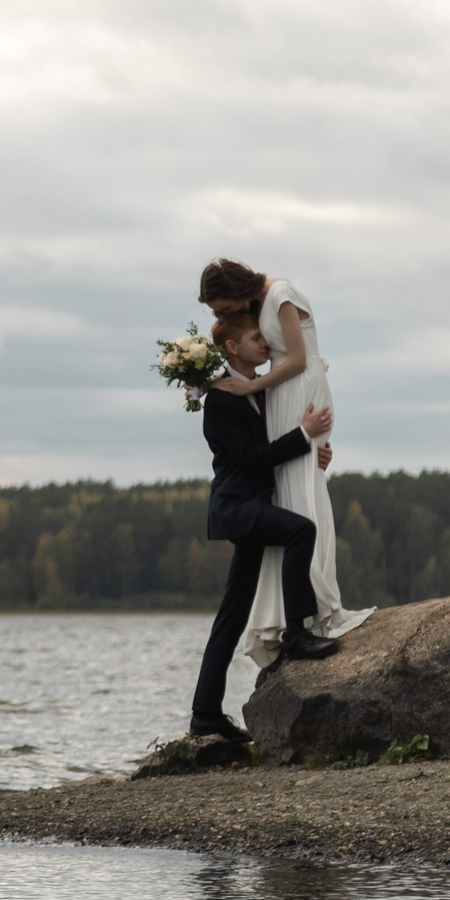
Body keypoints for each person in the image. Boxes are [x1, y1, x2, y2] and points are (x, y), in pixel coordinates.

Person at [198, 257, 368, 674]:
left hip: (294, 385)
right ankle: (295, 620)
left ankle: (310, 613)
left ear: (234, 290)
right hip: (281, 395)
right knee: (291, 497)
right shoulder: (253, 311)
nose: (221, 316)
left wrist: (252, 386)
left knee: (303, 503)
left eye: (220, 307)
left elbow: (296, 358)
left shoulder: (281, 294)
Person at [188, 312, 338, 743]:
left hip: (254, 504)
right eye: (256, 337)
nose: (265, 342)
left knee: (231, 616)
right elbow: (253, 457)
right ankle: (296, 632)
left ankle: (204, 715)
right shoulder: (218, 401)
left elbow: (277, 438)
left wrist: (313, 452)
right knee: (300, 531)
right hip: (236, 507)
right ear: (232, 347)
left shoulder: (261, 388)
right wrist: (303, 435)